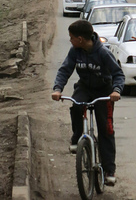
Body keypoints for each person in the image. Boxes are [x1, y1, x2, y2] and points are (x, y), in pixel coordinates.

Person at [51, 19, 125, 186]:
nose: (69, 40)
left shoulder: (103, 53)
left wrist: (116, 91)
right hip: (85, 87)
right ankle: (77, 138)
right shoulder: (75, 51)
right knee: (76, 105)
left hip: (104, 91)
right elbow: (65, 70)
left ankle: (109, 171)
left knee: (106, 129)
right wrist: (57, 89)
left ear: (80, 39)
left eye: (71, 37)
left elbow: (118, 74)